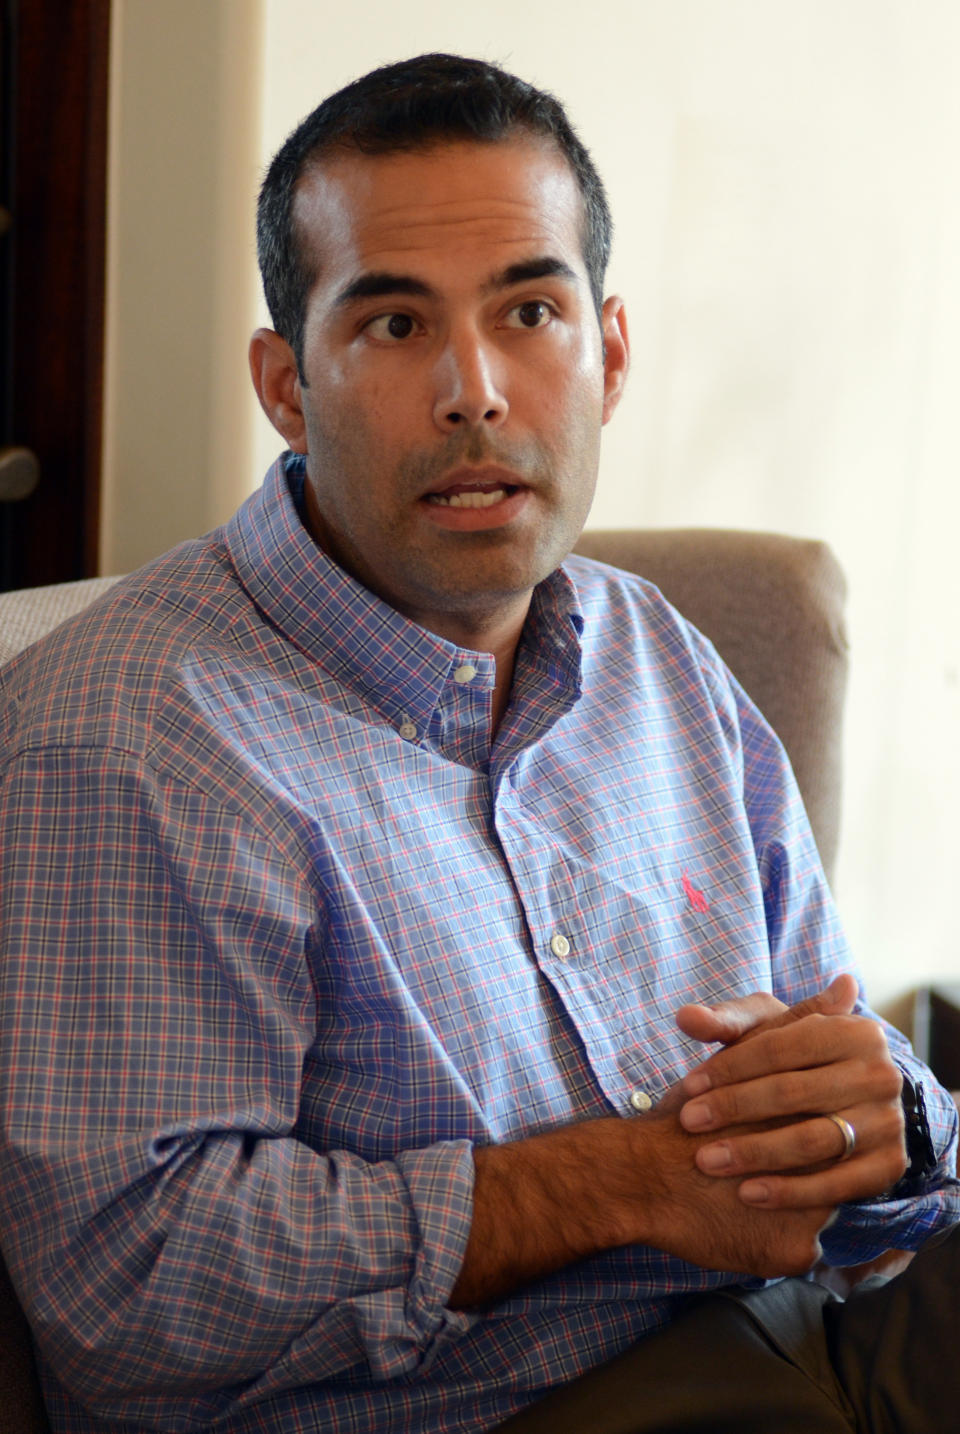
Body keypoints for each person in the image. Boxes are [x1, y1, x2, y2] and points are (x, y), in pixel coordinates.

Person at [0, 53, 956, 1434]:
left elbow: (839, 1055)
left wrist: (900, 1125)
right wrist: (618, 1180)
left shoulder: (658, 654)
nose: (474, 390)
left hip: (825, 1327)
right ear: (286, 383)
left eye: (529, 309)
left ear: (608, 353)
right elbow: (128, 1293)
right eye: (393, 326)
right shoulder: (124, 737)